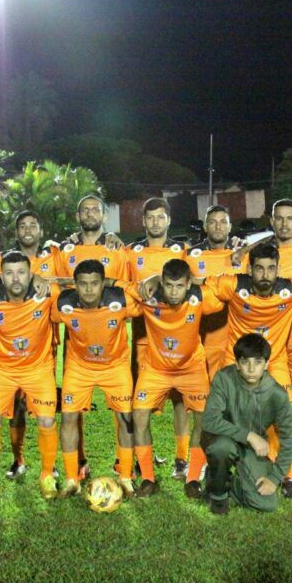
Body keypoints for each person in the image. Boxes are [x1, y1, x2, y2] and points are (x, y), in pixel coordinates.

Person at [203, 242, 292, 499]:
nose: (265, 274)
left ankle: (285, 474)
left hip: (273, 361)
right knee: (221, 414)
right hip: (237, 361)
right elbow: (198, 283)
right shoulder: (233, 285)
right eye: (259, 269)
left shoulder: (291, 288)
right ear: (249, 269)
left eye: (271, 268)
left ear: (278, 269)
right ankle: (217, 470)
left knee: (283, 414)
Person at [130, 259, 224, 498]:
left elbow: (225, 288)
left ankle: (193, 479)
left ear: (188, 284)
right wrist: (151, 278)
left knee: (204, 421)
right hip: (155, 369)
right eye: (169, 285)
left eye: (180, 286)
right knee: (138, 416)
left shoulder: (200, 297)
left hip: (192, 369)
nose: (173, 292)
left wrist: (199, 281)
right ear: (162, 283)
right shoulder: (148, 295)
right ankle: (148, 478)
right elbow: (116, 286)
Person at [53, 260, 143, 498]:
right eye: (83, 284)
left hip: (115, 367)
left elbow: (143, 292)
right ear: (75, 285)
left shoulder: (120, 300)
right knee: (68, 418)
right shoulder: (63, 303)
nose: (89, 289)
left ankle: (125, 476)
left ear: (104, 284)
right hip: (79, 367)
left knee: (125, 419)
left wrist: (117, 282)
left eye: (95, 283)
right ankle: (72, 479)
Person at [0, 251, 61, 500]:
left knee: (46, 420)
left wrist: (46, 280)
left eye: (22, 272)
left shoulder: (47, 294)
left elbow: (77, 288)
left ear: (31, 274)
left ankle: (47, 476)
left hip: (38, 369)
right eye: (9, 273)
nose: (16, 279)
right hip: (2, 370)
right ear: (1, 276)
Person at [202, 334, 292, 514]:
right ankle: (218, 495)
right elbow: (209, 420)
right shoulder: (224, 378)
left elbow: (290, 438)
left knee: (266, 504)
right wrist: (249, 436)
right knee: (221, 448)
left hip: (252, 447)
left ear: (267, 364)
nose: (252, 369)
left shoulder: (277, 394)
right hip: (223, 437)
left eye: (258, 362)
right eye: (245, 362)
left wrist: (274, 477)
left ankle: (227, 483)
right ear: (237, 364)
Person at [125, 197, 187, 474]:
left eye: (160, 217)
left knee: (180, 400)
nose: (155, 222)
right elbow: (122, 285)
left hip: (178, 337)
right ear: (143, 221)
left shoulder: (182, 251)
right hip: (144, 338)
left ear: (169, 220)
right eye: (150, 217)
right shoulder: (131, 252)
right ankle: (141, 460)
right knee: (141, 403)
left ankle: (182, 459)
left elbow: (194, 282)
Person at [186, 205, 245, 382]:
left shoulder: (244, 253)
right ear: (205, 227)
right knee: (209, 390)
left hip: (239, 336)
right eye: (212, 222)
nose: (218, 226)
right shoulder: (190, 255)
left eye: (223, 222)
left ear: (230, 226)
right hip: (205, 337)